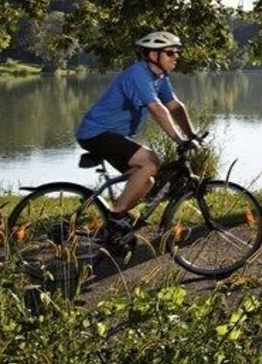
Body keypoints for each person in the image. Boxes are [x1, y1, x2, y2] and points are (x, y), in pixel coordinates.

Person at [75, 31, 200, 238]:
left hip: (112, 135)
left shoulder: (159, 77)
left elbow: (175, 106)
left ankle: (115, 229)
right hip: (96, 133)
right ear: (153, 55)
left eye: (177, 53)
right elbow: (157, 109)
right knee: (150, 161)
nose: (176, 57)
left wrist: (192, 135)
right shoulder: (139, 73)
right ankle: (116, 217)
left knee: (147, 180)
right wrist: (179, 139)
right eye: (170, 53)